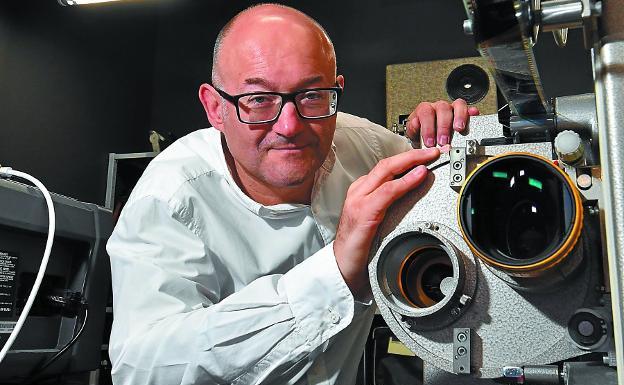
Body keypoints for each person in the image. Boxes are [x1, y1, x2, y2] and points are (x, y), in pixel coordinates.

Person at [106, 4, 478, 385]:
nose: (290, 125)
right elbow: (143, 370)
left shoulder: (366, 147)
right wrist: (333, 274)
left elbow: (457, 192)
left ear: (337, 92)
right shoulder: (170, 198)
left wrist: (446, 137)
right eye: (259, 99)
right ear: (215, 108)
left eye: (312, 95)